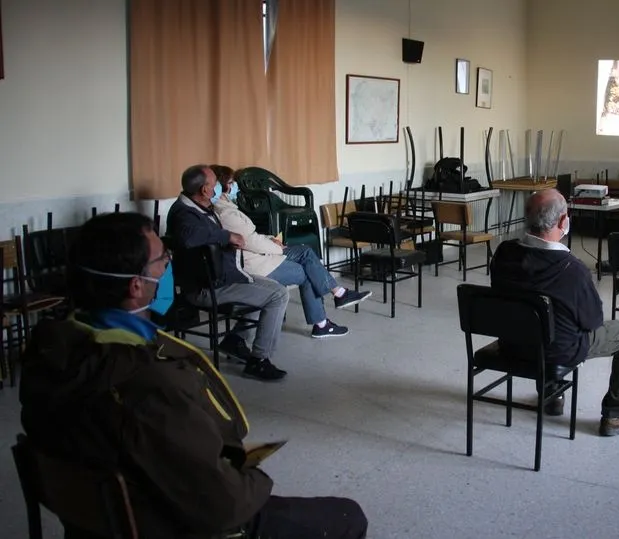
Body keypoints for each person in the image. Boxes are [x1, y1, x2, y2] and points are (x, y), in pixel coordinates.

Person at [19, 212, 368, 539]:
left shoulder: (51, 352)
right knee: (349, 517)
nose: (169, 263)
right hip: (177, 523)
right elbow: (223, 505)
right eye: (161, 260)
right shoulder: (149, 382)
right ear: (136, 287)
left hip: (105, 516)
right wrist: (249, 476)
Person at [490, 189, 619, 437]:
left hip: (512, 344)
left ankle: (551, 397)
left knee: (547, 325)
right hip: (558, 350)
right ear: (563, 222)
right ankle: (615, 415)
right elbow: (592, 322)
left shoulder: (504, 253)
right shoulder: (572, 270)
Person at [210, 165, 371, 338]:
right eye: (232, 182)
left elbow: (250, 236)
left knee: (305, 252)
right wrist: (277, 248)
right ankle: (326, 315)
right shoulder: (225, 213)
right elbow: (251, 242)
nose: (236, 187)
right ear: (221, 186)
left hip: (258, 254)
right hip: (254, 262)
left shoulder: (227, 207)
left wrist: (270, 239)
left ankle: (337, 297)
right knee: (308, 272)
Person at [167, 165, 289, 381]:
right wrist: (227, 237)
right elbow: (188, 237)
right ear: (205, 190)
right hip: (207, 288)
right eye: (215, 185)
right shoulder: (183, 213)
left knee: (270, 288)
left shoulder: (200, 206)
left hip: (223, 278)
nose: (220, 189)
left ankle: (236, 340)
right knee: (278, 295)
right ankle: (259, 361)